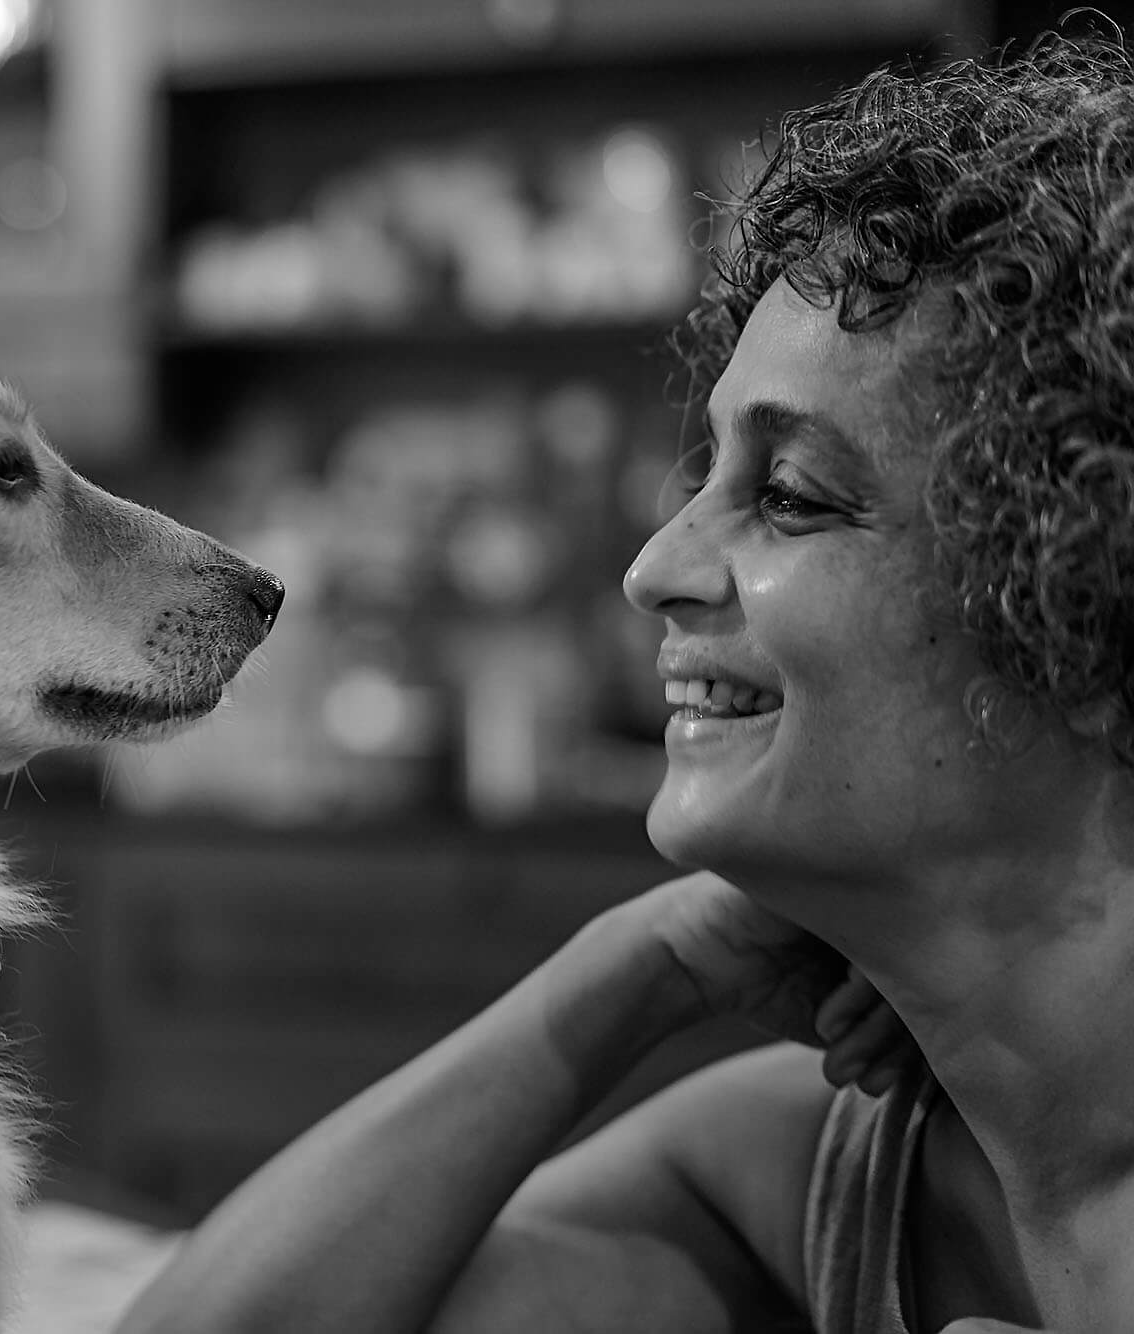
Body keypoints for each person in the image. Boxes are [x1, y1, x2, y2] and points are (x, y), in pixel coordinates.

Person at [116, 30, 1134, 1334]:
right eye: (705, 474)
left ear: (1094, 605)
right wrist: (635, 965)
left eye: (790, 495)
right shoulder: (838, 1173)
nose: (655, 567)